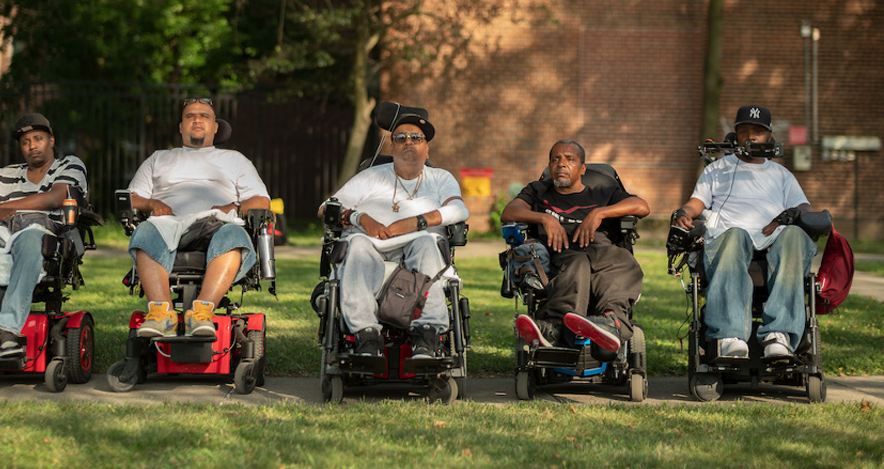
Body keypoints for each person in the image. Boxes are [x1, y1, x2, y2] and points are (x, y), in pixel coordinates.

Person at [319, 112, 469, 359]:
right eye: (400, 138)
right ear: (392, 146)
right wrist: (360, 219)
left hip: (420, 245)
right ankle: (366, 336)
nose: (408, 141)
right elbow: (327, 207)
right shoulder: (370, 176)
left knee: (427, 243)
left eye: (416, 138)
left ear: (427, 149)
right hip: (369, 245)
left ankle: (427, 335)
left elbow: (459, 209)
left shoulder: (441, 178)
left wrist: (416, 222)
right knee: (355, 244)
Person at [671, 105, 815, 360]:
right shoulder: (716, 169)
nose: (751, 136)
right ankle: (730, 338)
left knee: (795, 236)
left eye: (758, 131)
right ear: (735, 135)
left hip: (774, 239)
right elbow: (696, 203)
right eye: (744, 130)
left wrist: (795, 214)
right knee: (736, 234)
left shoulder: (782, 175)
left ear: (769, 137)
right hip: (729, 238)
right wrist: (684, 212)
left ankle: (778, 337)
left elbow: (803, 206)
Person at [0, 113, 89, 359]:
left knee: (31, 239)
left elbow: (54, 197)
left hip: (38, 231)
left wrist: (8, 208)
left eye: (38, 138)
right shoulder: (6, 174)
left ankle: (8, 330)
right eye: (25, 141)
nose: (32, 145)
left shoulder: (69, 165)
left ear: (51, 141)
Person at [127, 97, 271, 338]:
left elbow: (261, 201)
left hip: (216, 224)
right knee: (143, 232)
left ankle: (202, 312)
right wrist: (151, 203)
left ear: (215, 127)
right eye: (190, 116)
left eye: (204, 116)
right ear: (180, 126)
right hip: (167, 225)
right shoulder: (159, 158)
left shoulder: (235, 160)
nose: (197, 119)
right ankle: (162, 314)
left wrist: (233, 205)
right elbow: (131, 198)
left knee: (234, 234)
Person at [501, 140, 649, 359]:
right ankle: (556, 327)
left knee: (621, 261)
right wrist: (545, 218)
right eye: (555, 159)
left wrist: (599, 213)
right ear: (550, 166)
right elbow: (509, 212)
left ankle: (610, 324)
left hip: (603, 251)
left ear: (582, 169)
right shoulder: (538, 190)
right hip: (563, 253)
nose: (561, 164)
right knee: (577, 263)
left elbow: (641, 206)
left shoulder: (604, 191)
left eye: (570, 159)